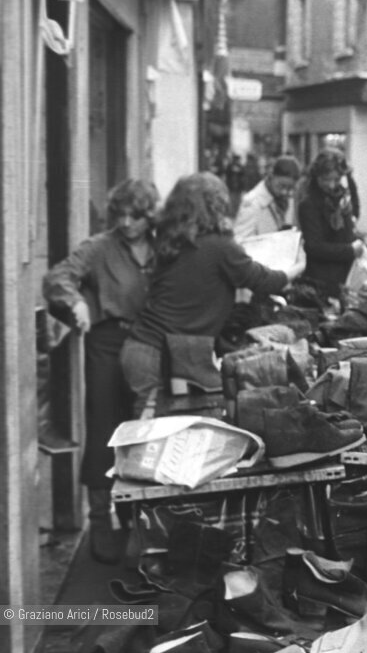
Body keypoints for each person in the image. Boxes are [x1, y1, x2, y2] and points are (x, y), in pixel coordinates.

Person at [42, 179, 160, 564]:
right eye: (120, 215)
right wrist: (74, 302)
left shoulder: (163, 245)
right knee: (105, 427)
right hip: (107, 344)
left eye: (135, 216)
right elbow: (58, 277)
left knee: (144, 429)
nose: (126, 222)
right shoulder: (100, 247)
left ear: (149, 215)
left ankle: (137, 518)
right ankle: (100, 521)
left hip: (150, 342)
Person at [119, 172, 304, 415]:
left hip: (144, 349)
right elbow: (263, 280)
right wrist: (298, 266)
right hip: (159, 355)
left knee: (152, 432)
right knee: (149, 439)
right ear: (216, 205)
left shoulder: (171, 238)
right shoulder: (219, 246)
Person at [297, 147, 363, 296]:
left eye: (337, 179)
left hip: (345, 277)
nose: (332, 185)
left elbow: (354, 217)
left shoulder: (342, 197)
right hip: (322, 281)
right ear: (317, 176)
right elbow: (314, 247)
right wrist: (350, 250)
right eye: (326, 180)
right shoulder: (309, 204)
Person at [233, 155, 300, 239]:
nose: (285, 192)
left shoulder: (288, 199)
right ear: (271, 177)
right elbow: (240, 242)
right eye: (281, 186)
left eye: (290, 188)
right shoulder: (253, 203)